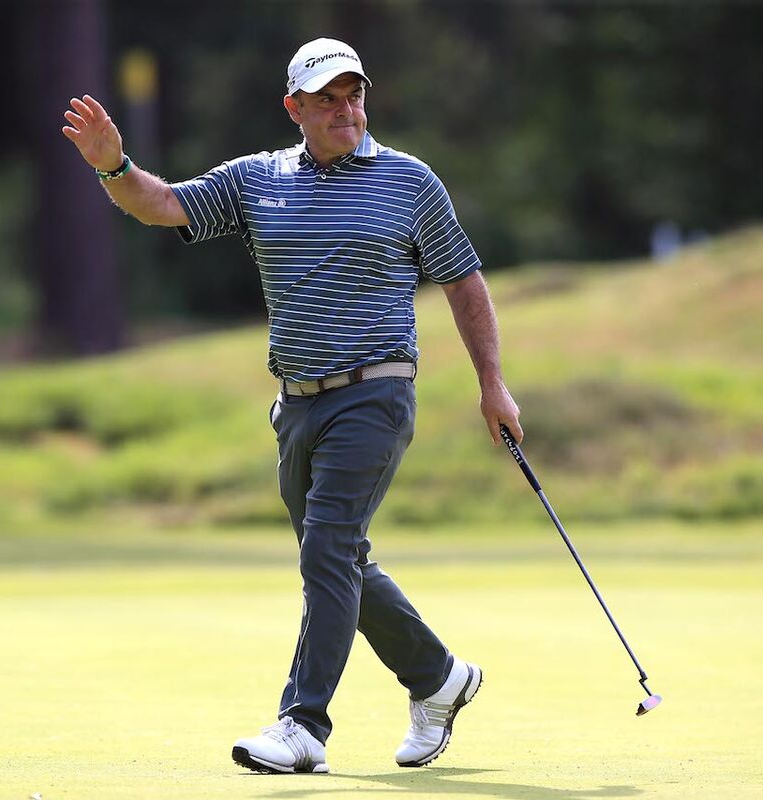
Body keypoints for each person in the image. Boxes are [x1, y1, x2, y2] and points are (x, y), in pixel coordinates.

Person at [62, 37, 523, 775]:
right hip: (297, 405)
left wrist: (491, 383)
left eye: (356, 95)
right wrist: (112, 165)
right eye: (330, 98)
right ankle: (439, 679)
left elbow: (464, 282)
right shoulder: (256, 179)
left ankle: (303, 727)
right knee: (338, 557)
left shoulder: (409, 182)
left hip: (377, 392)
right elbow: (163, 204)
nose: (348, 109)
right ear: (296, 107)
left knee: (327, 549)